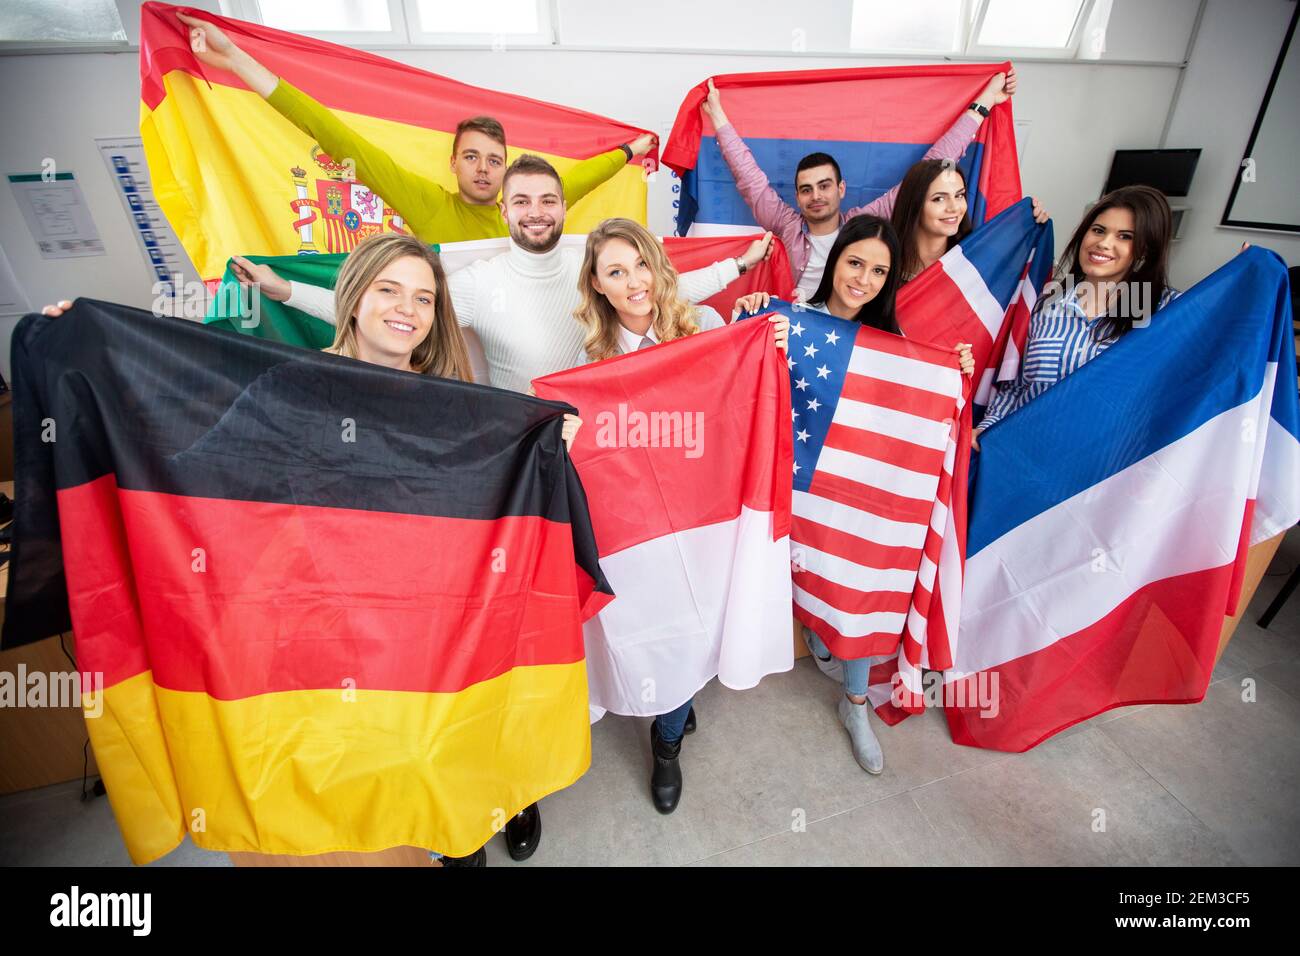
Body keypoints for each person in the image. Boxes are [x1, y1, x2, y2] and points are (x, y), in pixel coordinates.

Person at [40, 232, 580, 869]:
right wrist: (87, 354)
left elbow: (498, 494)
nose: (407, 308)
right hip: (319, 622)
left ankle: (457, 835)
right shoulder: (289, 389)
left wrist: (550, 445)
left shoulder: (452, 407)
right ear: (352, 298)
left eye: (424, 299)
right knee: (358, 770)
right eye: (388, 290)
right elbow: (191, 464)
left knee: (435, 746)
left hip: (425, 619)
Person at [732, 215, 972, 776]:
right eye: (855, 262)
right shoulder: (791, 317)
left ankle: (856, 704)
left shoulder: (895, 349)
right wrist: (756, 319)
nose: (863, 279)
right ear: (835, 261)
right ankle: (814, 632)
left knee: (862, 571)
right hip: (785, 485)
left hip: (848, 503)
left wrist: (952, 375)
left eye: (879, 271)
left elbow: (918, 422)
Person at [569, 217, 789, 814]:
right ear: (598, 284)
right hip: (633, 526)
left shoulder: (710, 329)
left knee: (699, 624)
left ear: (659, 268)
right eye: (616, 271)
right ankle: (670, 719)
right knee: (657, 626)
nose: (634, 280)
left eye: (641, 263)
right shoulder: (584, 358)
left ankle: (667, 743)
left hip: (702, 515)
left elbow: (739, 412)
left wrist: (768, 350)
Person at [240, 154, 773, 393]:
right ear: (505, 211)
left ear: (564, 206)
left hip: (606, 429)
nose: (536, 211)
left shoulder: (592, 265)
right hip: (529, 438)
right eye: (522, 201)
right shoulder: (474, 284)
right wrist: (284, 290)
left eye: (547, 200)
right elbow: (384, 315)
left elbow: (659, 291)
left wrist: (740, 265)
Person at [177, 12, 657, 245]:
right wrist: (236, 59)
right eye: (472, 157)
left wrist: (634, 150)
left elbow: (588, 175)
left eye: (494, 160)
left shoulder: (527, 205)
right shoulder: (427, 203)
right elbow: (335, 136)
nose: (484, 169)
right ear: (453, 163)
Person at [699, 69, 1022, 299]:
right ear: (797, 197)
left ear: (841, 189)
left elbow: (929, 170)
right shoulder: (787, 225)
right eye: (806, 189)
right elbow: (749, 179)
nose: (816, 196)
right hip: (799, 326)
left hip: (856, 330)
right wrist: (718, 118)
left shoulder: (865, 223)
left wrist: (984, 103)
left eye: (824, 185)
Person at [973, 185, 1179, 446]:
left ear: (1145, 250)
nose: (1104, 243)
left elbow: (1220, 344)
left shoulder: (1162, 310)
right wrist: (988, 427)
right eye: (1098, 230)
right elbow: (1015, 387)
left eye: (1125, 236)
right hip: (1021, 455)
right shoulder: (1045, 302)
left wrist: (1246, 281)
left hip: (1093, 470)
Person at [890, 159, 1050, 282]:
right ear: (913, 205)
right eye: (939, 199)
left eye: (959, 195)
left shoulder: (977, 257)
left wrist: (1033, 224)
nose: (954, 207)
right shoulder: (884, 260)